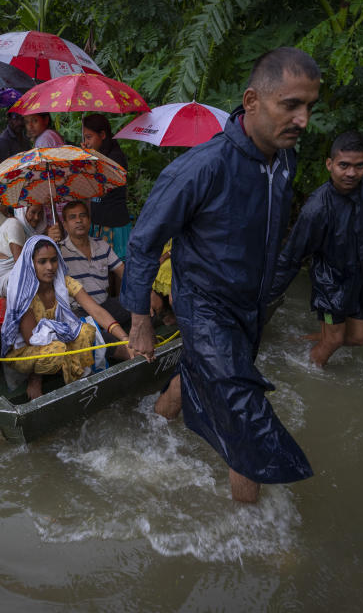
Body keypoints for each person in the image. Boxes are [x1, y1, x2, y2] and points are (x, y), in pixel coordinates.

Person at [122, 47, 321, 503]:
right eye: (290, 104)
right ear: (251, 101)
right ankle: (253, 529)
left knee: (199, 372)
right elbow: (144, 241)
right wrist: (140, 319)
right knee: (242, 408)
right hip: (205, 306)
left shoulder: (285, 162)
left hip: (249, 304)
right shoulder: (201, 168)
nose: (302, 119)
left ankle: (153, 428)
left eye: (309, 106)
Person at [267, 130, 363, 367]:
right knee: (333, 342)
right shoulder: (316, 210)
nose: (351, 173)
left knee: (356, 338)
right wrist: (265, 298)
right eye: (344, 165)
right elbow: (291, 258)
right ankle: (310, 380)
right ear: (329, 164)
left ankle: (295, 343)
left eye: (360, 165)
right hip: (331, 279)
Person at [1, 236, 132, 400]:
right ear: (31, 263)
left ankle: (79, 382)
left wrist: (125, 339)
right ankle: (35, 380)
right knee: (57, 350)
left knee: (86, 331)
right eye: (42, 262)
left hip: (58, 338)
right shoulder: (23, 292)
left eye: (53, 260)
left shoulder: (63, 282)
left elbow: (96, 310)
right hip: (27, 350)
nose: (50, 267)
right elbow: (32, 339)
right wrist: (66, 335)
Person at [57, 200, 131, 335]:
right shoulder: (58, 251)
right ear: (65, 225)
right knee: (89, 335)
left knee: (139, 305)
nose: (79, 220)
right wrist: (49, 240)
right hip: (78, 312)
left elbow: (125, 274)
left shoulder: (101, 245)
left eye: (83, 215)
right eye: (72, 217)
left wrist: (146, 294)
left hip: (105, 306)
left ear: (89, 220)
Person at [82, 114, 132, 259]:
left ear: (102, 135)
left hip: (114, 225)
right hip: (99, 223)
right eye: (85, 138)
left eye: (89, 137)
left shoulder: (116, 158)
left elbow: (100, 186)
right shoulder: (98, 156)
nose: (86, 142)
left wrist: (88, 159)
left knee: (116, 268)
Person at [0, 205, 62, 297]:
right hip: (7, 281)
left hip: (23, 275)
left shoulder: (35, 230)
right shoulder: (14, 224)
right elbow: (22, 264)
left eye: (40, 213)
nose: (36, 218)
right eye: (32, 212)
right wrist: (48, 240)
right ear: (22, 212)